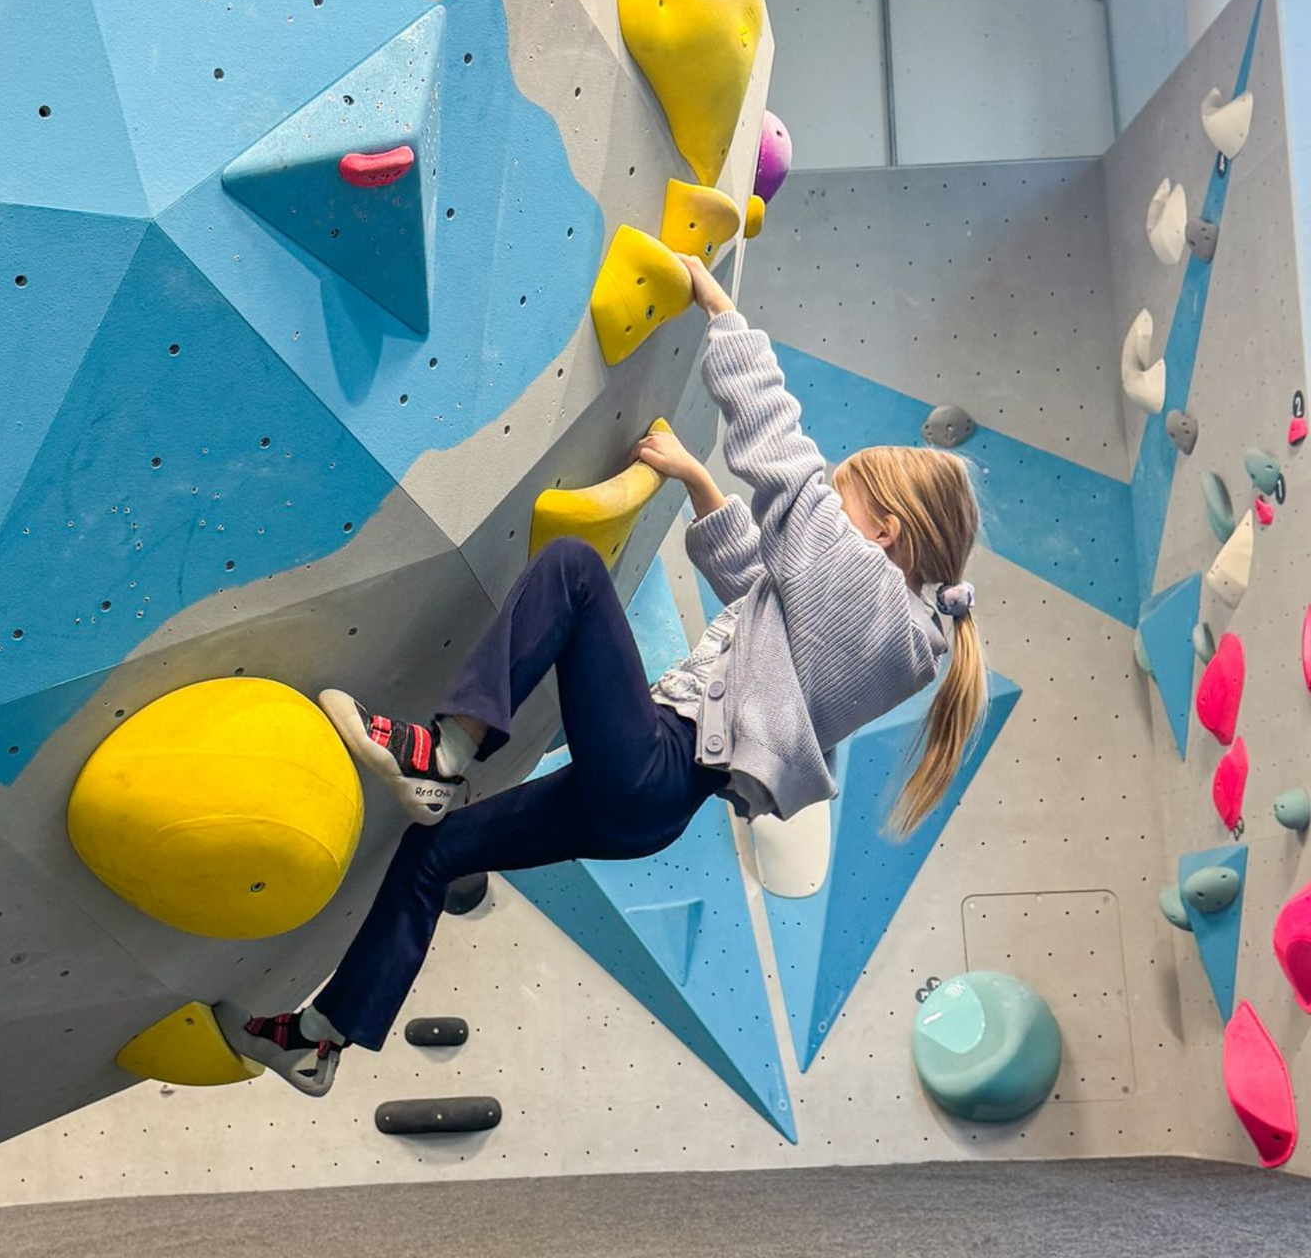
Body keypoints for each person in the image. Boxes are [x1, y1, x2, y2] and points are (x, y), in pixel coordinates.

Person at [216, 252, 989, 1096]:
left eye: (846, 504)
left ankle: (445, 753)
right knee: (434, 854)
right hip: (649, 803)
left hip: (660, 762)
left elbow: (785, 462)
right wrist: (696, 478)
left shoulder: (868, 592)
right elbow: (756, 596)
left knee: (574, 573)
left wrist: (722, 309)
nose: (828, 512)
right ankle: (322, 1038)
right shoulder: (884, 632)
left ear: (883, 534)